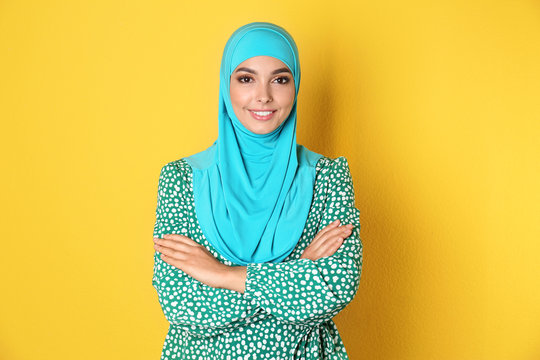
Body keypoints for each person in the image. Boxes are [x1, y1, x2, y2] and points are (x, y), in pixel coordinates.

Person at [151, 21, 363, 359]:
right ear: (226, 84)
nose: (263, 95)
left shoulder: (327, 176)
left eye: (280, 79)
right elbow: (181, 307)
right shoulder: (182, 179)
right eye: (246, 79)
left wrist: (222, 275)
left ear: (295, 85)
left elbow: (334, 288)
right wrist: (297, 273)